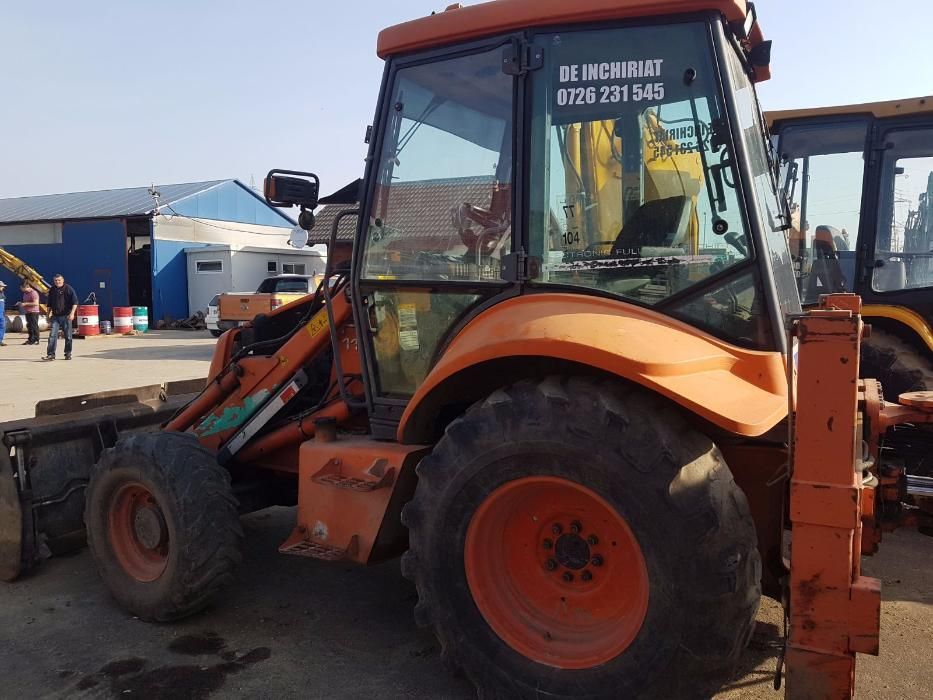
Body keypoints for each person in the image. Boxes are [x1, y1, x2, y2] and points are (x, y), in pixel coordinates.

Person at [43, 274, 78, 360]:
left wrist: (72, 313)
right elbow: (49, 304)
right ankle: (51, 354)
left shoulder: (68, 289)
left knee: (68, 336)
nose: (57, 282)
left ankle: (68, 353)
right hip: (55, 317)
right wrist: (47, 315)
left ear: (63, 280)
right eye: (55, 280)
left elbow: (75, 302)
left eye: (59, 280)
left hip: (66, 316)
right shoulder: (52, 290)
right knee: (52, 336)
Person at [17, 281, 40, 345]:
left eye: (22, 288)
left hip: (34, 312)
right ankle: (30, 339)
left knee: (34, 326)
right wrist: (20, 303)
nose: (21, 290)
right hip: (28, 312)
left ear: (26, 287)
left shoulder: (34, 293)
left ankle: (36, 339)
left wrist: (25, 304)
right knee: (29, 326)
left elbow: (36, 303)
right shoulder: (25, 293)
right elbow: (25, 302)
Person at [0, 281, 6, 347]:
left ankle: (0, 340)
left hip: (1, 314)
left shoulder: (2, 293)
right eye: (2, 286)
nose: (3, 287)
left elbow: (3, 304)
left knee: (2, 327)